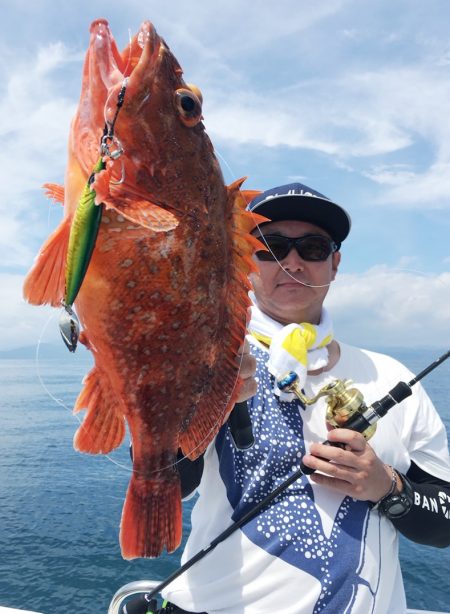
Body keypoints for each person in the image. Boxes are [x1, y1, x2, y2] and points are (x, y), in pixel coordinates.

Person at [162, 183, 450, 614]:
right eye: (270, 246)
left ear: (334, 264)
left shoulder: (392, 376)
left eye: (312, 248)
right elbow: (161, 485)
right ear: (244, 262)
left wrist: (386, 486)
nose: (291, 261)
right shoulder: (206, 359)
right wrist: (205, 410)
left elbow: (445, 521)